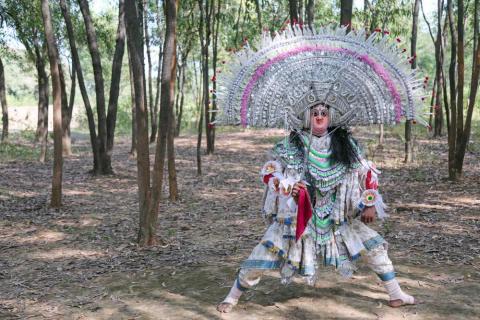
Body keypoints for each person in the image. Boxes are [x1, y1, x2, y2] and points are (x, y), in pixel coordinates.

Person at [216, 103, 416, 313]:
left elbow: (368, 173)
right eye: (314, 114)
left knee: (375, 249)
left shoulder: (347, 146)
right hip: (296, 219)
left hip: (336, 218)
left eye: (324, 113)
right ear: (305, 116)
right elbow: (269, 174)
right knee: (263, 255)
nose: (319, 118)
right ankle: (232, 297)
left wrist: (370, 203)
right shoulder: (289, 146)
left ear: (331, 117)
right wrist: (289, 187)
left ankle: (396, 294)